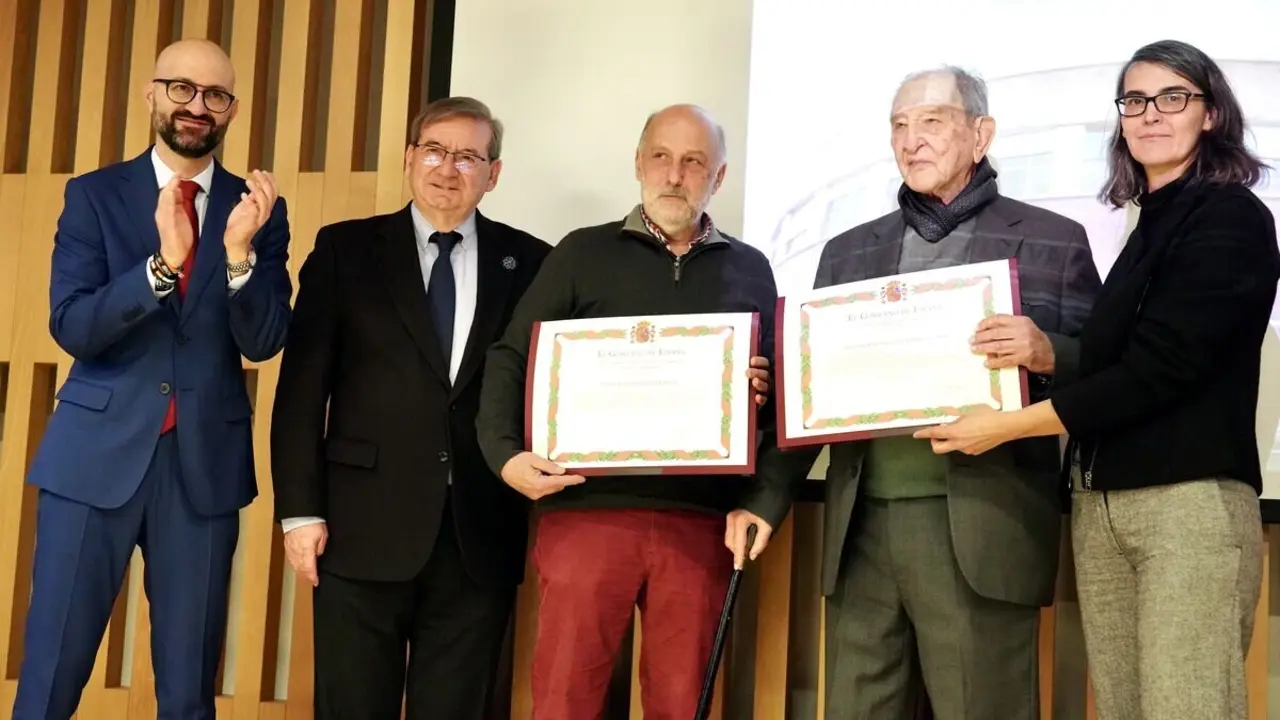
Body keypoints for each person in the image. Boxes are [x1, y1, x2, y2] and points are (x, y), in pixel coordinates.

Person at [916, 41, 1279, 720]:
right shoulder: (1148, 227)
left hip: (1185, 507)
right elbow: (1118, 358)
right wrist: (1044, 354)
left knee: (1187, 708)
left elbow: (1159, 371)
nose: (1150, 115)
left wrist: (1005, 426)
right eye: (1134, 101)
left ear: (1210, 114)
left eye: (1173, 98)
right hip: (1101, 503)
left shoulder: (1231, 217)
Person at [793, 66, 1101, 720]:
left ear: (980, 134)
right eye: (900, 125)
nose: (912, 140)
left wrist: (1048, 351)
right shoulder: (847, 252)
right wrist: (764, 495)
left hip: (983, 526)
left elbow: (1107, 375)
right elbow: (812, 391)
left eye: (932, 121)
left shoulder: (1053, 242)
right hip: (860, 530)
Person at [474, 104, 789, 719]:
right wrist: (505, 454)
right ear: (639, 164)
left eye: (695, 162)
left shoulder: (750, 268)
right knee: (565, 699)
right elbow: (512, 357)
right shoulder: (579, 254)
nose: (676, 174)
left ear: (717, 178)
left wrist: (767, 497)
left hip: (701, 523)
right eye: (662, 157)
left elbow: (780, 404)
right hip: (587, 512)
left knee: (682, 702)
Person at [13, 38, 291, 719]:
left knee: (190, 689)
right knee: (50, 677)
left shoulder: (258, 207)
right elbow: (73, 326)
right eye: (182, 89)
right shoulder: (95, 195)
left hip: (202, 469)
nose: (197, 106)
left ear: (231, 110)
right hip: (92, 462)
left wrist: (236, 257)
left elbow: (264, 339)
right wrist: (158, 270)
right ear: (152, 95)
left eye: (215, 95)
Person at [269, 96, 552, 719]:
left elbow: (552, 384)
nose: (448, 169)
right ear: (409, 159)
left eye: (469, 156)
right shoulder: (346, 251)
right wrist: (298, 514)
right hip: (357, 529)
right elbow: (300, 393)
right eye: (435, 151)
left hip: (477, 534)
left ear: (494, 173)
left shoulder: (533, 262)